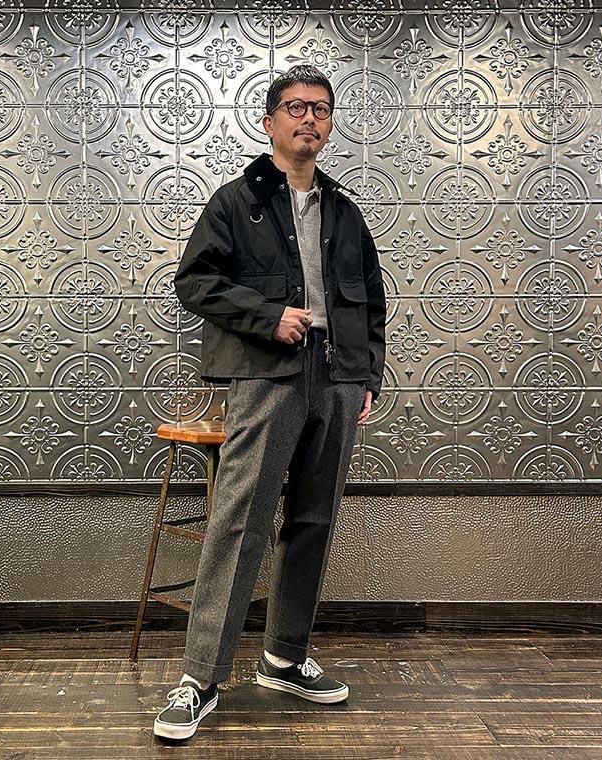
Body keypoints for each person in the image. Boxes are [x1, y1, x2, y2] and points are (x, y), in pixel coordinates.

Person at [152, 64, 386, 741]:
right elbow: (194, 282)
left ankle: (284, 657)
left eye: (321, 109)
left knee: (314, 519)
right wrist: (267, 316)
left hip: (337, 381)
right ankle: (200, 679)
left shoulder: (344, 211)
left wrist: (368, 375)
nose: (309, 118)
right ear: (269, 121)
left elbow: (371, 300)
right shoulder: (236, 202)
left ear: (330, 124)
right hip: (267, 376)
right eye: (296, 107)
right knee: (240, 522)